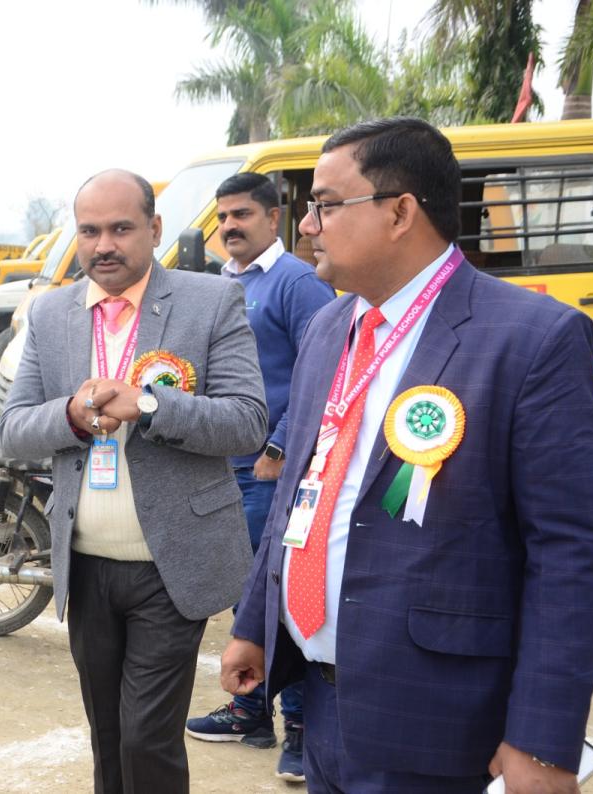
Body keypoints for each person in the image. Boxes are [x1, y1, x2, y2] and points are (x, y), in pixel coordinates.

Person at [221, 117, 593, 792]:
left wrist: (542, 741)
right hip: (324, 705)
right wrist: (257, 623)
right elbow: (298, 493)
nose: (307, 226)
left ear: (400, 212)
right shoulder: (330, 326)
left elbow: (569, 553)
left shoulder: (533, 339)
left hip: (439, 719)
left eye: (325, 205)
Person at [0, 169, 267, 794]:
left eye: (121, 228)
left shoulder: (211, 300)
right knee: (108, 734)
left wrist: (149, 405)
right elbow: (12, 430)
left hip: (171, 562)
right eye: (89, 231)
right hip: (85, 564)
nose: (104, 245)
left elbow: (247, 422)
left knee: (146, 736)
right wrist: (71, 415)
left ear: (155, 228)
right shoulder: (51, 313)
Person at [184, 173, 334, 782]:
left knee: (277, 594)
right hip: (224, 468)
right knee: (245, 594)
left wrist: (280, 445)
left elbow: (324, 371)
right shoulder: (221, 284)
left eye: (242, 214)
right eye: (222, 217)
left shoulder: (297, 284)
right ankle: (251, 709)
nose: (229, 227)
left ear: (275, 218)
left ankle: (300, 726)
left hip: (270, 469)